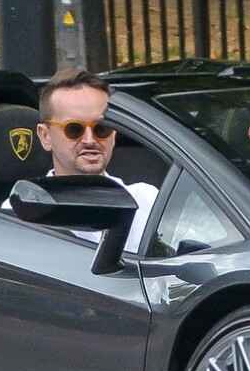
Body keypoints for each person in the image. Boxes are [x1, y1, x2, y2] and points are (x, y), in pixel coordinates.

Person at [8, 68, 158, 243]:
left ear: (115, 133)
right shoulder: (19, 213)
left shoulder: (149, 202)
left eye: (101, 128)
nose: (89, 139)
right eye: (74, 129)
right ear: (45, 136)